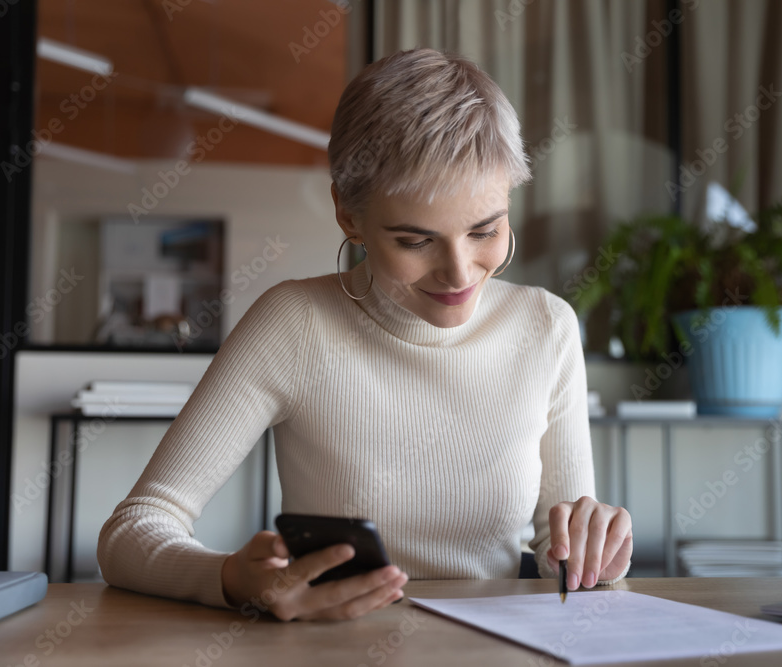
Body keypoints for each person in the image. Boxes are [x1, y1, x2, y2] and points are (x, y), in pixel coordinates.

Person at [97, 47, 632, 622]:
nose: (459, 273)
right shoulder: (294, 323)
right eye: (414, 240)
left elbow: (563, 560)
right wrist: (231, 579)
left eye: (486, 230)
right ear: (348, 215)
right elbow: (132, 532)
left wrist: (595, 551)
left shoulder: (545, 327)